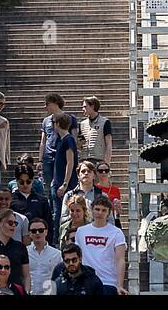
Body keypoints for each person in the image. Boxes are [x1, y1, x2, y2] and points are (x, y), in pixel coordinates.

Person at [76, 197, 128, 294]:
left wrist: (120, 285)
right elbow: (78, 257)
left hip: (108, 282)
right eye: (97, 209)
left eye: (104, 210)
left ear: (108, 213)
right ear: (92, 210)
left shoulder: (116, 232)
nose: (100, 213)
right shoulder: (81, 231)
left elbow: (120, 259)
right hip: (86, 281)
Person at [39, 93, 77, 204]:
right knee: (51, 189)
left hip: (63, 157)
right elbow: (43, 141)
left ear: (55, 103)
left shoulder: (69, 118)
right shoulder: (46, 120)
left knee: (61, 189)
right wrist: (40, 159)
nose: (45, 107)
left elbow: (73, 138)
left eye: (47, 104)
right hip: (48, 157)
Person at [52, 112, 79, 243]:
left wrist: (64, 184)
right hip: (58, 182)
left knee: (61, 215)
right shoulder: (63, 140)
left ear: (57, 124)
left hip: (65, 185)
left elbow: (70, 162)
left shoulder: (68, 140)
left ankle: (61, 240)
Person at [26, 217, 62, 295]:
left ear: (46, 231)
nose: (37, 233)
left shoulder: (57, 254)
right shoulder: (24, 252)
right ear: (29, 233)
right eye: (34, 231)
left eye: (41, 230)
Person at [80, 97, 114, 163]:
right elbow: (79, 145)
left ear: (92, 106)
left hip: (98, 160)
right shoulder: (82, 124)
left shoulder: (105, 122)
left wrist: (106, 163)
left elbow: (108, 144)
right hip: (84, 160)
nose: (83, 109)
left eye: (85, 107)